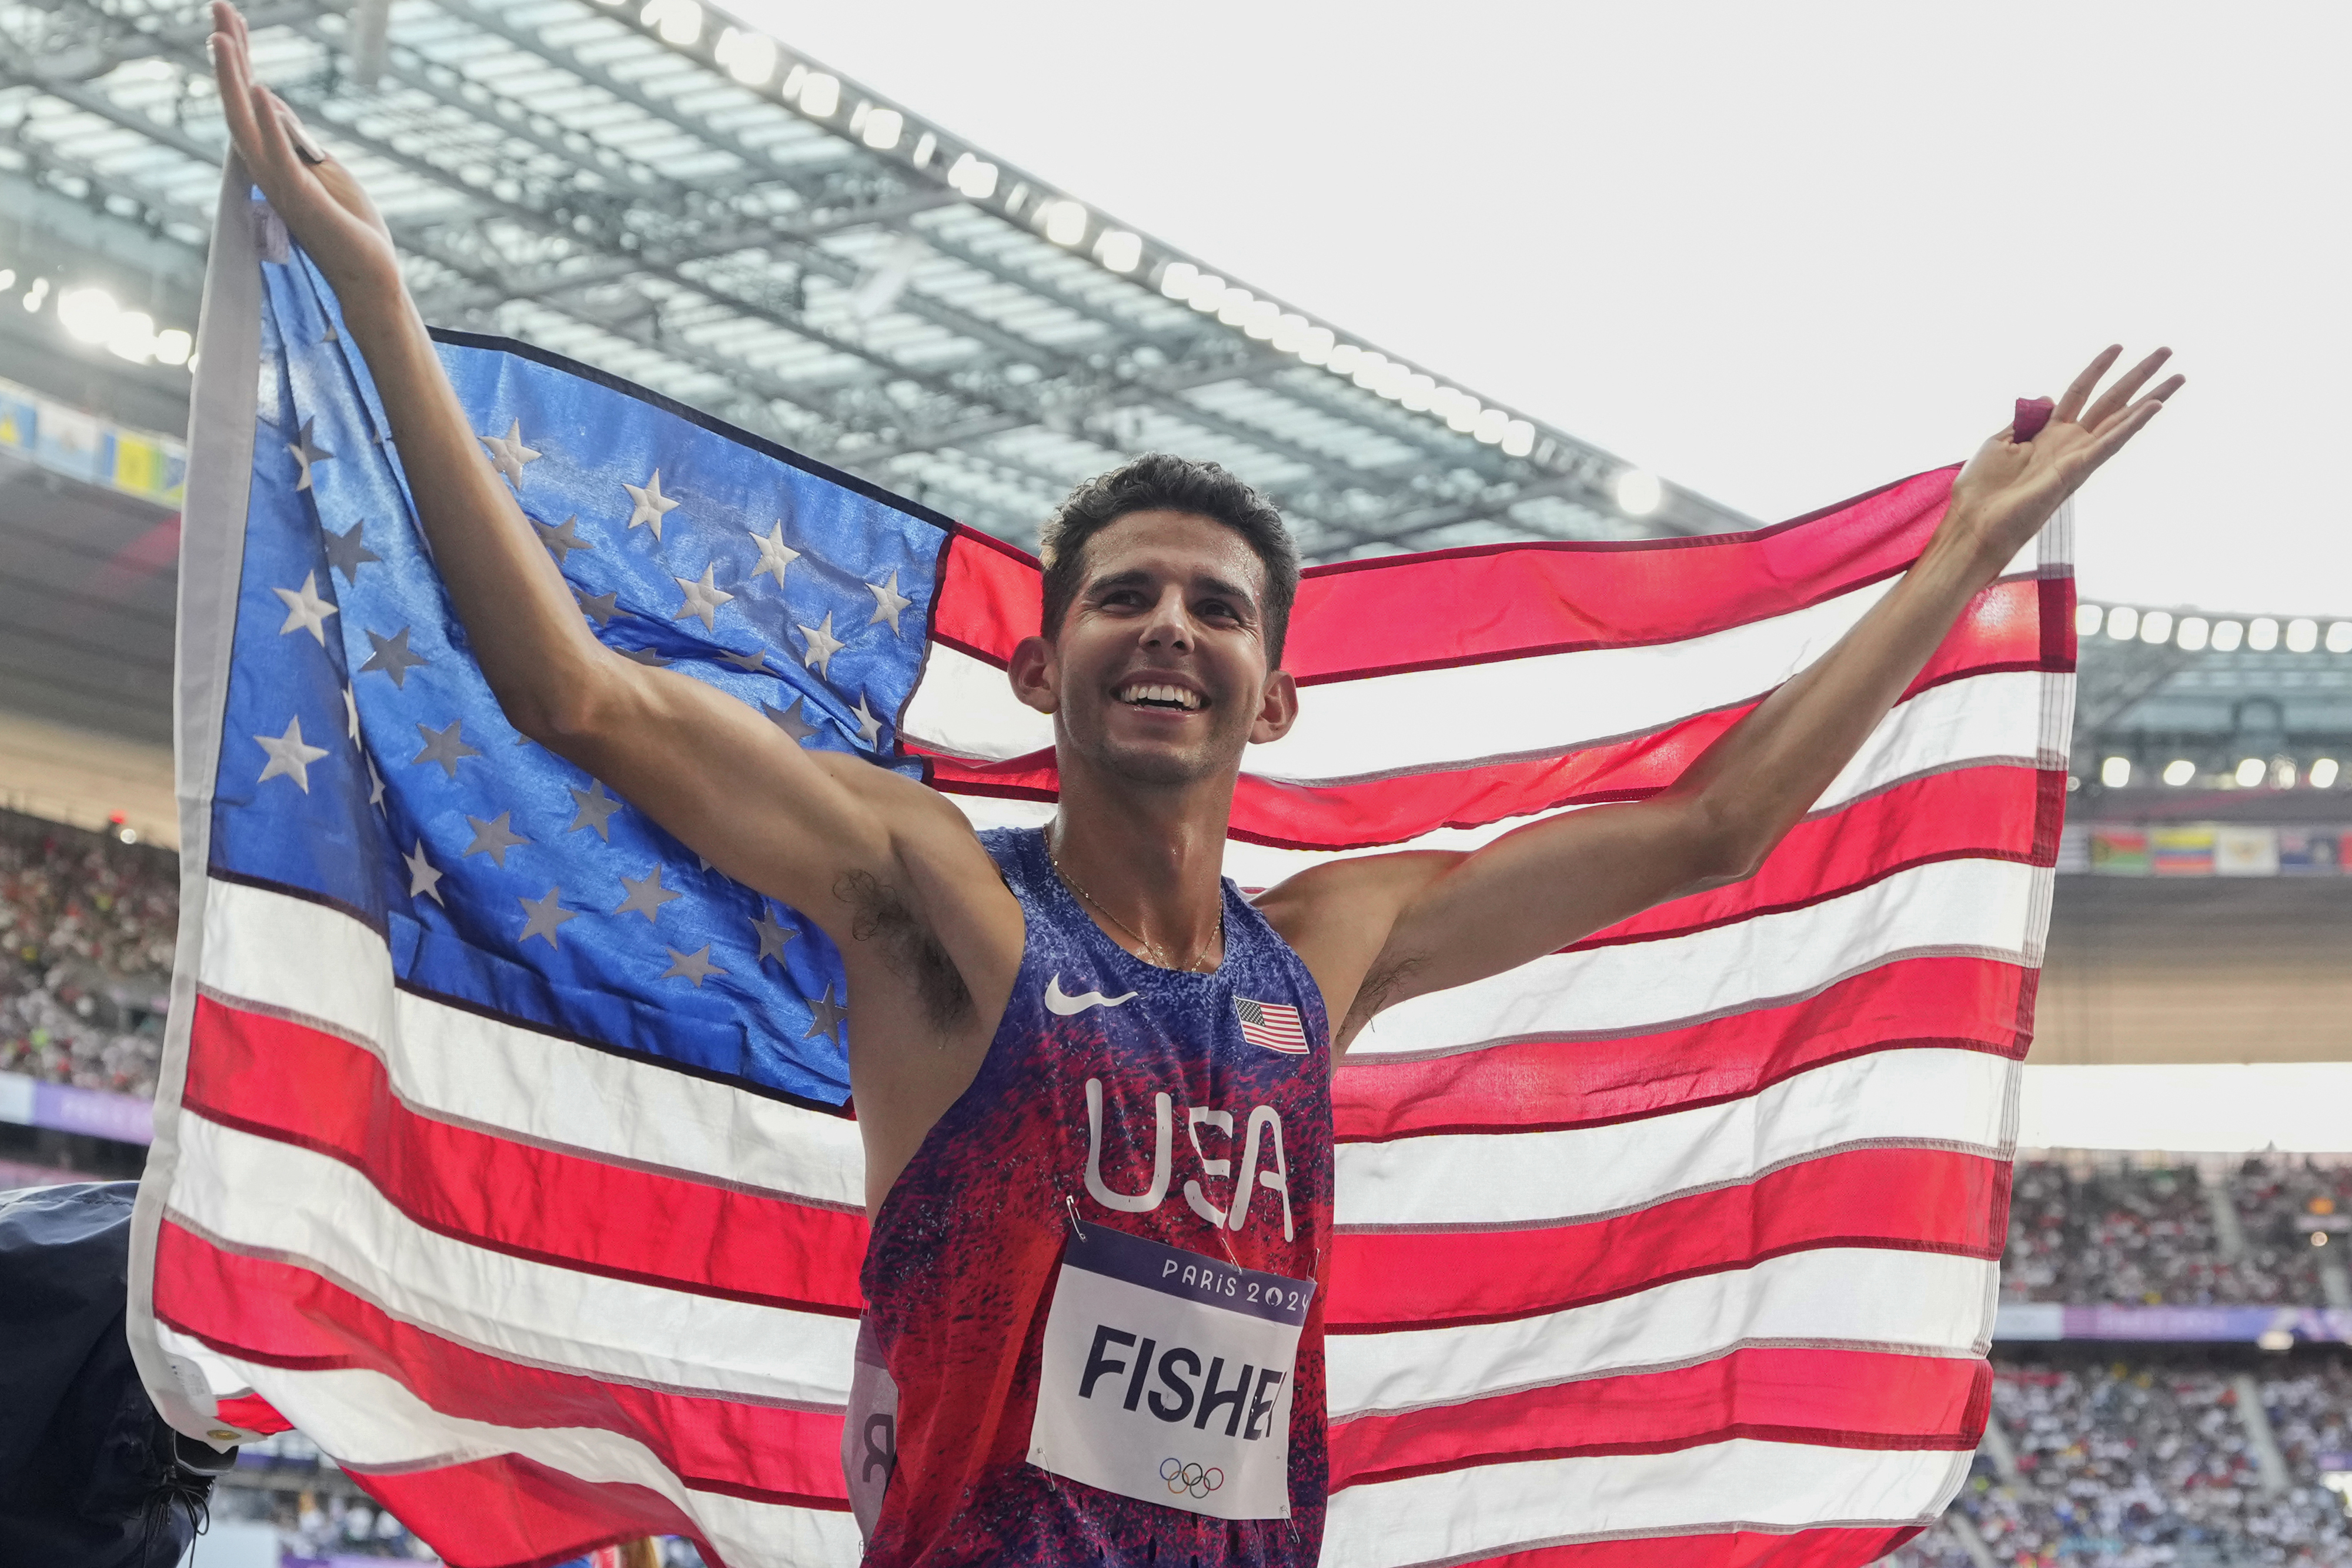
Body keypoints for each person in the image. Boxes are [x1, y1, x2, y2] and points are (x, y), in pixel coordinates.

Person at [206, 6, 2181, 1562]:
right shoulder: (932, 894)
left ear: (1276, 694)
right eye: (1126, 596)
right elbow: (578, 696)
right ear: (1041, 662)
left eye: (1217, 608)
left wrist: (1960, 557)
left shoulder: (1334, 941)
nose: (1170, 626)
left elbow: (1713, 828)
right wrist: (379, 293)